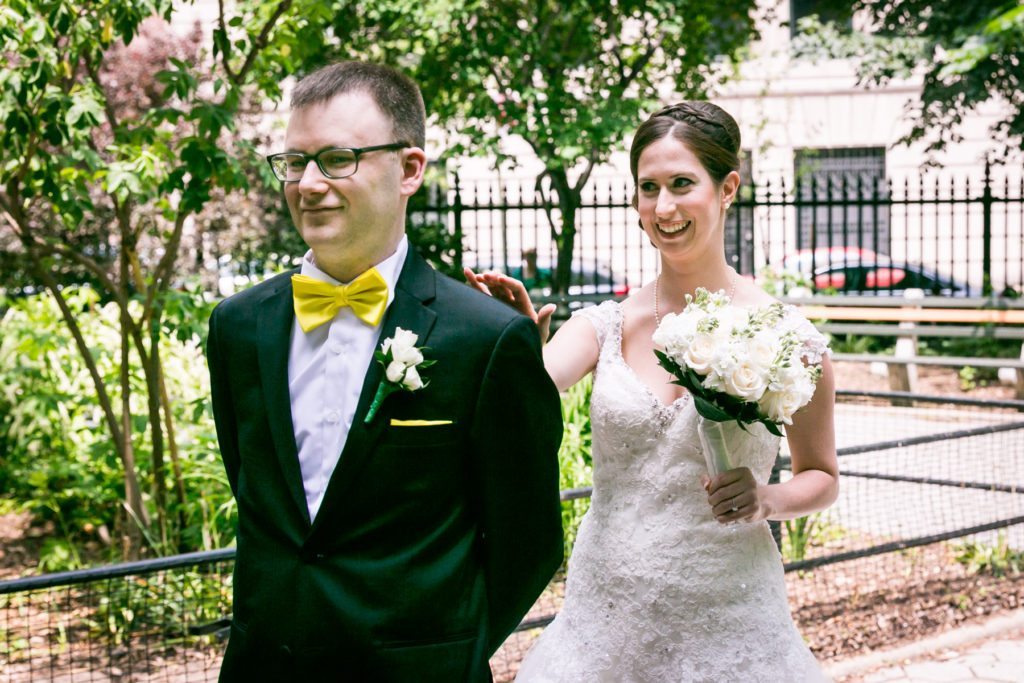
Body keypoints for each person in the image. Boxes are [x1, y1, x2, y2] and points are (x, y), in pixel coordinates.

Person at [206, 61, 564, 682]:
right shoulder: (237, 327)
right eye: (295, 161)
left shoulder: (487, 339)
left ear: (409, 169)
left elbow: (527, 542)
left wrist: (445, 655)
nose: (309, 184)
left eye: (338, 158)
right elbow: (254, 489)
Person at [466, 102, 839, 681]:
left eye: (682, 184)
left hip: (731, 615)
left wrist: (767, 500)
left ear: (727, 188)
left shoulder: (788, 339)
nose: (663, 208)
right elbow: (521, 398)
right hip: (603, 620)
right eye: (648, 188)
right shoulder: (603, 325)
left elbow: (822, 477)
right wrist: (510, 344)